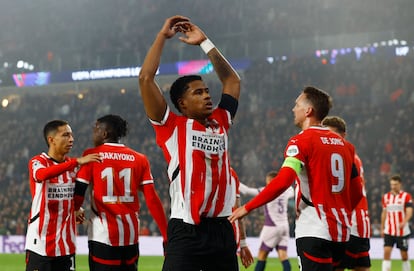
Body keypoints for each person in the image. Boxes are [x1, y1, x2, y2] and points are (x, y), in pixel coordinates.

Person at [138, 15, 241, 271]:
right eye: (198, 92)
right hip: (186, 231)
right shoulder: (171, 127)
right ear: (182, 103)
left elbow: (232, 81)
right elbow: (145, 79)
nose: (207, 95)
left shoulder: (221, 120)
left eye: (207, 91)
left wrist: (205, 42)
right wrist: (163, 37)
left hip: (221, 228)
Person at [229, 86, 364, 271]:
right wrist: (337, 208)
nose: (294, 109)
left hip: (314, 228)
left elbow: (283, 181)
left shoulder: (300, 141)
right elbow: (357, 193)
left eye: (297, 104)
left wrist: (247, 207)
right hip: (341, 232)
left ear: (308, 111)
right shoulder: (346, 146)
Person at [73, 114, 168, 271]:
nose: (93, 133)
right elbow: (152, 199)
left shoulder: (92, 155)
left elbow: (79, 193)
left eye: (95, 129)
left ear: (104, 133)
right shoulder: (140, 159)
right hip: (130, 237)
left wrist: (76, 209)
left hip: (103, 236)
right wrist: (166, 235)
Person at [25, 120, 101, 271]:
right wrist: (76, 162)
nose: (71, 139)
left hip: (67, 246)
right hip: (40, 245)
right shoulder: (38, 161)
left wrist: (75, 209)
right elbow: (41, 175)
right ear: (51, 140)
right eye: (66, 135)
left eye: (71, 135)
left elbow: (71, 196)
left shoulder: (73, 168)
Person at [322, 116, 371, 271]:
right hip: (361, 224)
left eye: (331, 135)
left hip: (350, 225)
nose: (327, 140)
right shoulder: (354, 156)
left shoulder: (342, 156)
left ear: (343, 136)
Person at [239, 171, 293, 271]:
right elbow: (292, 190)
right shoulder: (286, 191)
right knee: (283, 255)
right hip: (285, 226)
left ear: (270, 181)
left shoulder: (266, 190)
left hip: (272, 227)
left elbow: (246, 191)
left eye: (267, 181)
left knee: (261, 255)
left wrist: (233, 181)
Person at [380, 174, 413, 271]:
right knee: (386, 252)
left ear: (400, 184)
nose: (393, 186)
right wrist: (382, 228)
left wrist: (404, 221)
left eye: (395, 184)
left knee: (404, 255)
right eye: (392, 184)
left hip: (402, 231)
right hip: (389, 230)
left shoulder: (406, 196)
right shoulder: (386, 197)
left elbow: (409, 211)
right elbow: (384, 213)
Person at [230, 167, 254, 269]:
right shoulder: (231, 173)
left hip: (202, 232)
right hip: (229, 232)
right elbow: (238, 210)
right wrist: (243, 243)